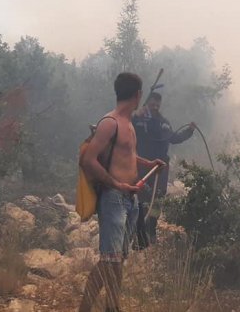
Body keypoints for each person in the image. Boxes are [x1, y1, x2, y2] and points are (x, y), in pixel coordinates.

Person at [78, 73, 165, 312]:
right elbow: (89, 160)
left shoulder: (128, 123)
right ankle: (86, 308)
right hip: (114, 198)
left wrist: (148, 164)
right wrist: (117, 185)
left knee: (117, 260)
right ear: (137, 95)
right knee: (109, 260)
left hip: (130, 200)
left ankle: (112, 307)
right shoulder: (110, 122)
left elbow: (126, 154)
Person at [133, 92, 195, 243]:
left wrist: (189, 131)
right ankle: (138, 233)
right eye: (152, 104)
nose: (155, 107)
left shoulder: (164, 122)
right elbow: (124, 127)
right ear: (146, 104)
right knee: (141, 197)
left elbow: (175, 138)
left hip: (160, 168)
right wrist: (135, 115)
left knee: (158, 199)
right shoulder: (138, 120)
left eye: (157, 105)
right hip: (141, 165)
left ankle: (151, 231)